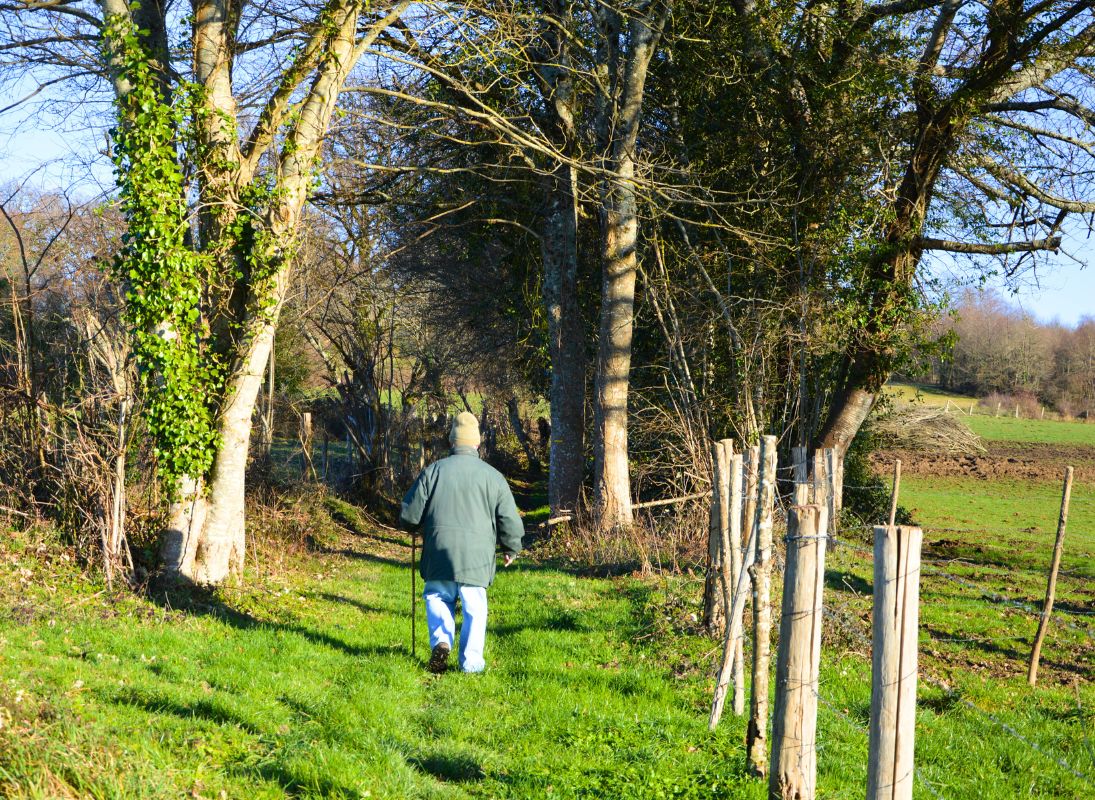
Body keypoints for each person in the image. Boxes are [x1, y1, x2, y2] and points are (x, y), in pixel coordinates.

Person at [400, 411, 524, 673]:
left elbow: (409, 515)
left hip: (439, 552)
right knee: (475, 609)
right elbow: (508, 518)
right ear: (477, 443)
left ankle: (442, 641)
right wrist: (511, 547)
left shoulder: (433, 471)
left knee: (436, 595)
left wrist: (411, 525)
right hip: (476, 558)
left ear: (452, 442)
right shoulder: (494, 477)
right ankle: (470, 664)